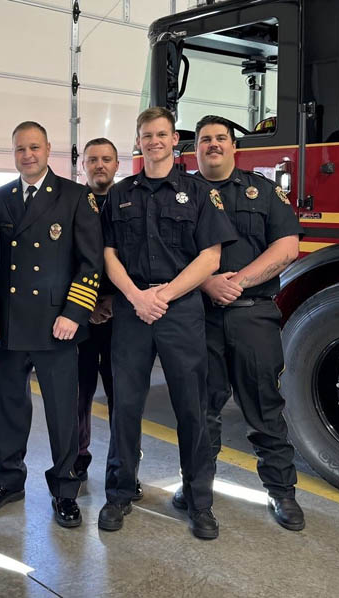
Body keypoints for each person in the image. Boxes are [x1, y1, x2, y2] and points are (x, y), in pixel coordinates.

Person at [97, 107, 236, 539]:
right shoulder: (119, 194)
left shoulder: (196, 193)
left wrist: (164, 295)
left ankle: (199, 502)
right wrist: (138, 297)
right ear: (137, 141)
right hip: (133, 310)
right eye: (145, 135)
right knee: (125, 407)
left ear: (175, 140)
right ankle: (119, 494)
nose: (153, 141)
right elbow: (108, 255)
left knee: (191, 408)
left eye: (161, 134)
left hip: (179, 310)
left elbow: (210, 257)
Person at [178, 114, 305, 531]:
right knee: (201, 411)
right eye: (204, 140)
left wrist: (237, 282)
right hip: (199, 318)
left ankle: (281, 493)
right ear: (193, 149)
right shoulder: (179, 194)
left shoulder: (264, 191)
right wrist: (206, 284)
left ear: (235, 147)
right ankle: (196, 491)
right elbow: (166, 255)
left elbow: (286, 247)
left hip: (252, 315)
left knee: (265, 408)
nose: (212, 144)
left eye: (220, 139)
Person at [0, 121, 103, 528]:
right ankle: (9, 480)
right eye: (20, 149)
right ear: (13, 152)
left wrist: (74, 312)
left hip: (58, 325)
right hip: (11, 325)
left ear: (48, 148)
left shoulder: (75, 196)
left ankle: (65, 489)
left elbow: (91, 262)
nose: (28, 154)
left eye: (34, 147)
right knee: (9, 409)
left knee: (62, 414)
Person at [74, 137, 146, 497]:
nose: (99, 165)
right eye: (92, 160)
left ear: (117, 165)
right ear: (82, 165)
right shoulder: (70, 202)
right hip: (81, 316)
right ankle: (77, 460)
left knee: (124, 396)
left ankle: (127, 467)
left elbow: (138, 259)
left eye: (106, 159)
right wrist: (87, 304)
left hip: (123, 315)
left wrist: (114, 302)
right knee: (78, 395)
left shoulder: (131, 202)